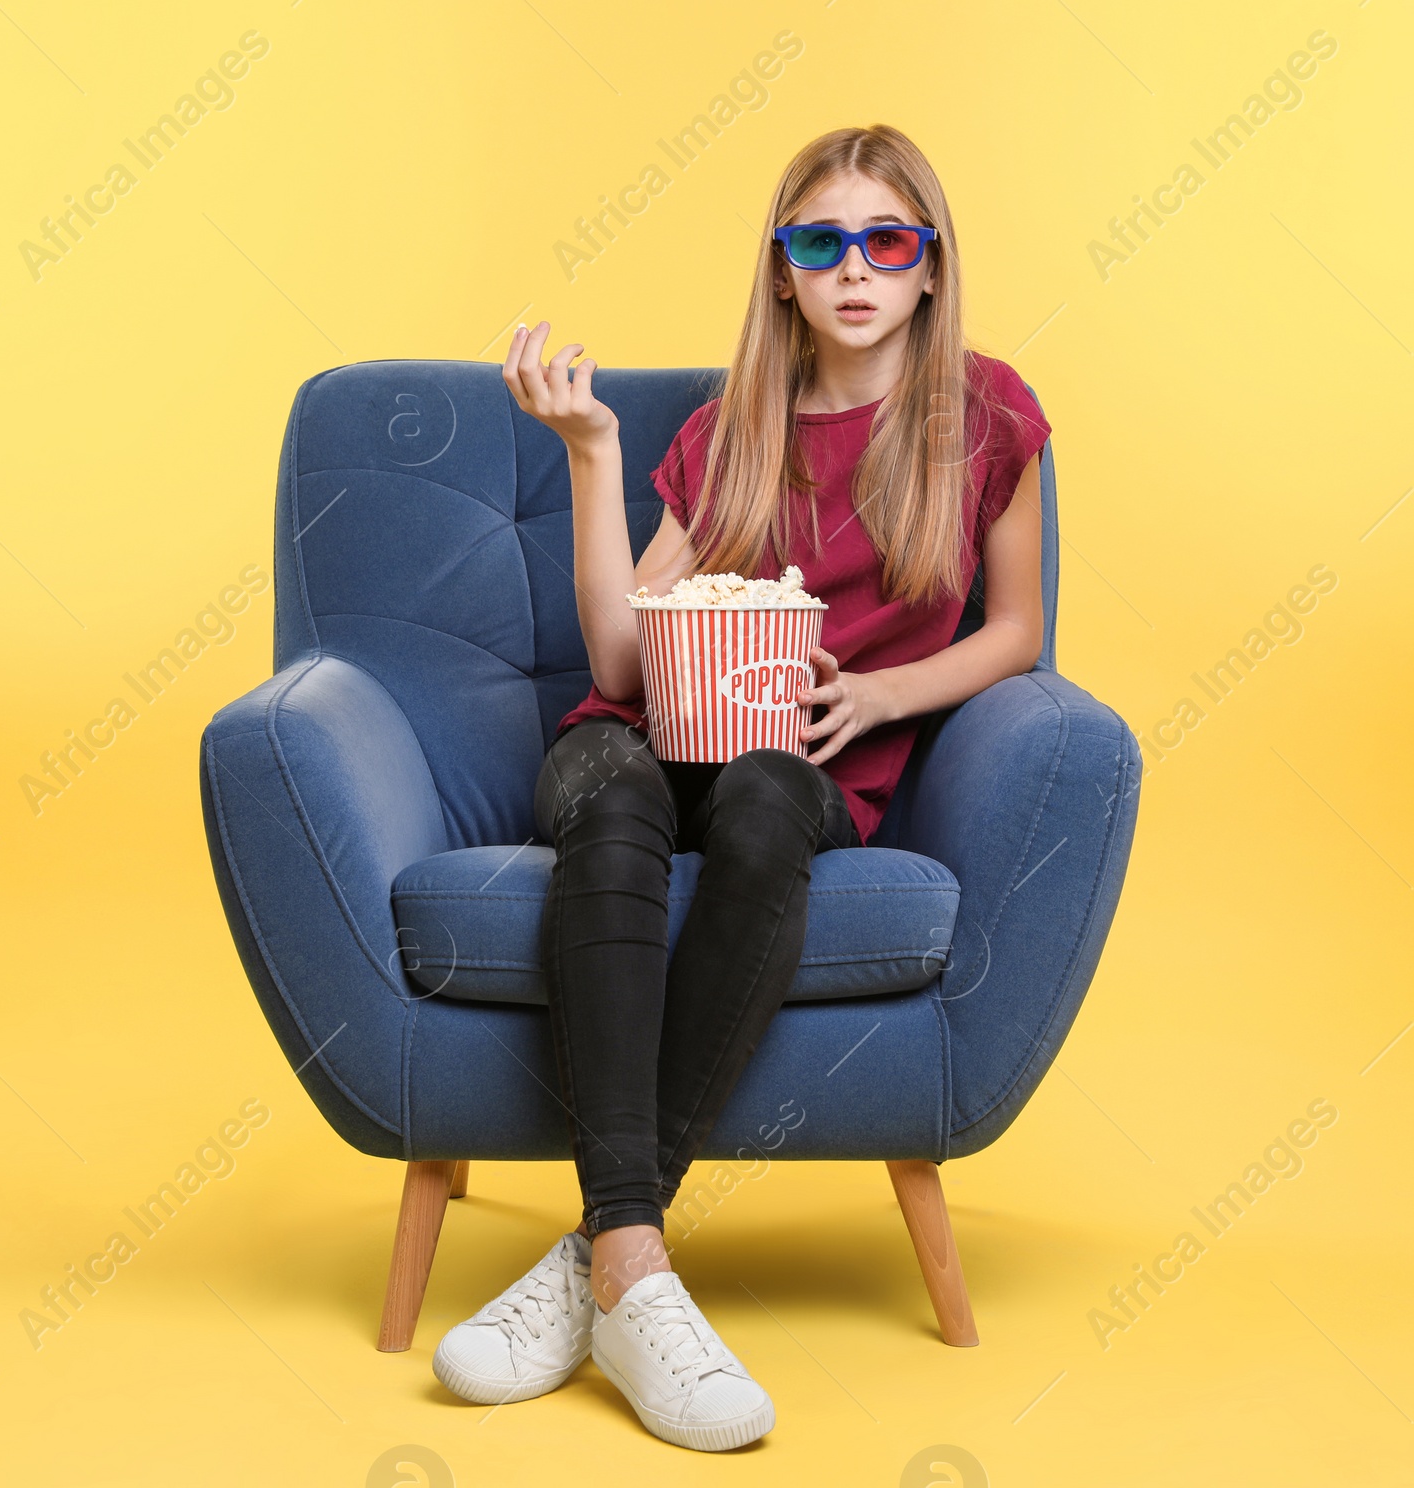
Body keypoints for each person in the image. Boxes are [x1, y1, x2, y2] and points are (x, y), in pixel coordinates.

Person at [432, 123, 1050, 1451]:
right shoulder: (732, 433)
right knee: (605, 789)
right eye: (819, 241)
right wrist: (592, 451)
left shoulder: (987, 415)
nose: (854, 269)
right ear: (781, 273)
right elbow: (616, 656)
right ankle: (635, 1265)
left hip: (813, 759)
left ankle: (597, 1256)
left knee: (770, 791)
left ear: (931, 268)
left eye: (887, 240)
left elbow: (1016, 634)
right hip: (644, 735)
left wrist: (885, 695)